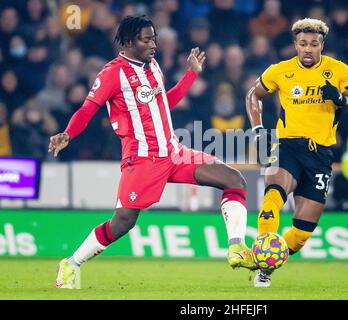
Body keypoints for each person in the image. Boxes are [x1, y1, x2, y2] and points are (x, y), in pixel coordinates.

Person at [49, 15, 256, 289]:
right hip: (142, 159)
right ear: (128, 42)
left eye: (154, 39)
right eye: (147, 39)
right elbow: (88, 108)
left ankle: (236, 246)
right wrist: (68, 133)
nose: (153, 45)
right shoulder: (113, 73)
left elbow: (163, 103)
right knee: (122, 223)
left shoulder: (153, 66)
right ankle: (71, 263)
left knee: (234, 179)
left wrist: (191, 74)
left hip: (174, 152)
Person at [246, 18, 348, 287]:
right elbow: (253, 95)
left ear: (322, 45)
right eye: (303, 44)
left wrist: (340, 99)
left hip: (321, 153)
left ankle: (263, 261)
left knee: (301, 235)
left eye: (314, 44)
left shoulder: (337, 70)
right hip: (288, 145)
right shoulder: (280, 71)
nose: (308, 49)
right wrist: (257, 129)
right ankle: (263, 268)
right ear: (295, 45)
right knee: (272, 199)